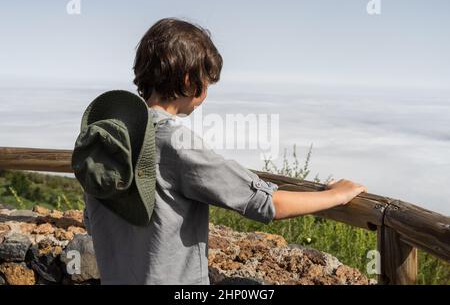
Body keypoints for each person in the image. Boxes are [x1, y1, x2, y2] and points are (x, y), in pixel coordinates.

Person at [83, 17, 367, 285]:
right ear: (187, 81)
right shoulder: (175, 143)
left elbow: (94, 221)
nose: (206, 92)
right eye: (206, 82)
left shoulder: (107, 136)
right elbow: (265, 203)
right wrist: (336, 194)